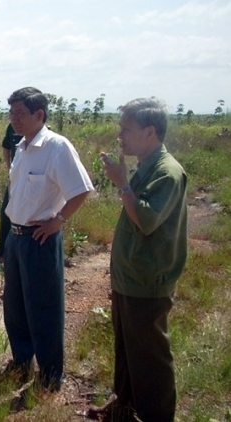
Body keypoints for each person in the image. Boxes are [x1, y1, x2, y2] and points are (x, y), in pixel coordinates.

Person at [94, 98, 187, 422]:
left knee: (149, 358)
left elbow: (145, 220)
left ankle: (156, 416)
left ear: (149, 132)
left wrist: (122, 183)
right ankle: (123, 405)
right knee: (127, 350)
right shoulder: (147, 165)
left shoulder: (168, 173)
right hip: (130, 278)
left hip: (148, 281)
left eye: (126, 128)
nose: (120, 134)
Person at [2, 87, 94, 391]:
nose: (14, 119)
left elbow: (80, 189)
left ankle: (50, 375)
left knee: (43, 308)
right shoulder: (22, 146)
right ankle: (21, 362)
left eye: (20, 114)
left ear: (39, 115)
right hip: (16, 238)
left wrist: (59, 221)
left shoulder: (57, 147)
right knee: (15, 307)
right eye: (11, 113)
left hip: (40, 238)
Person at [0, 123, 23, 258]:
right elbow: (6, 147)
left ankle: (16, 251)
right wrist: (10, 169)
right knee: (6, 212)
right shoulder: (11, 127)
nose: (16, 118)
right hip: (14, 180)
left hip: (30, 182)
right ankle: (2, 249)